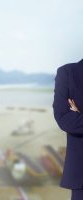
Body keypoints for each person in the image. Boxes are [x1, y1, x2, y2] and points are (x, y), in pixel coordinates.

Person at [53, 58, 83, 200]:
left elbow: (75, 121)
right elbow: (65, 120)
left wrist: (80, 115)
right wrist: (74, 117)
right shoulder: (68, 73)